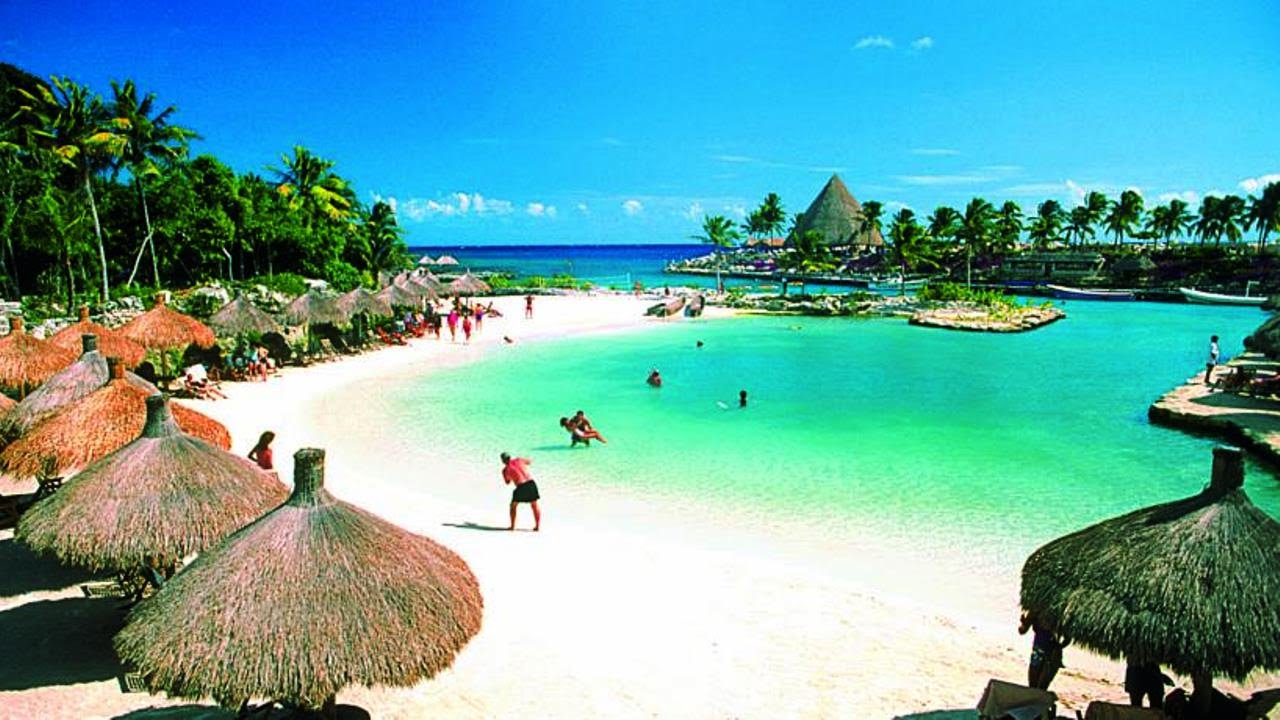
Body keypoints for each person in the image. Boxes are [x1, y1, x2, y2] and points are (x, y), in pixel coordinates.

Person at [1019, 611, 1068, 690]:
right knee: (1040, 687)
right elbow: (1067, 639)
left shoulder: (1036, 610)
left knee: (1034, 686)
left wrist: (1024, 623)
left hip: (1042, 652)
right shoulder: (1062, 614)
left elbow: (1022, 631)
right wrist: (1058, 647)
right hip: (1051, 655)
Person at [501, 452, 540, 531]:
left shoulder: (505, 470)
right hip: (531, 483)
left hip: (521, 486)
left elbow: (507, 482)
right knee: (534, 505)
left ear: (503, 461)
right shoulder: (519, 460)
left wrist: (511, 475)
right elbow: (529, 461)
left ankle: (512, 526)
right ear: (510, 457)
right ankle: (537, 526)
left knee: (513, 505)